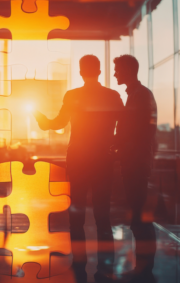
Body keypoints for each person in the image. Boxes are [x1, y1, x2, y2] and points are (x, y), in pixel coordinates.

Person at [33, 55, 124, 283]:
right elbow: (123, 130)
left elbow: (55, 124)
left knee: (77, 217)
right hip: (103, 162)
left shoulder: (73, 95)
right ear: (100, 71)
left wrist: (38, 116)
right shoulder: (112, 96)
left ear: (81, 72)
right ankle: (106, 263)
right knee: (103, 216)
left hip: (79, 161)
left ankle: (79, 262)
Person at [112, 55, 157, 283]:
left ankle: (144, 270)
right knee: (139, 217)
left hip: (136, 164)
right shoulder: (137, 96)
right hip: (134, 163)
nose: (114, 74)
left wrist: (117, 145)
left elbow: (139, 134)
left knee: (140, 218)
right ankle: (143, 269)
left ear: (128, 69)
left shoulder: (140, 96)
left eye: (117, 70)